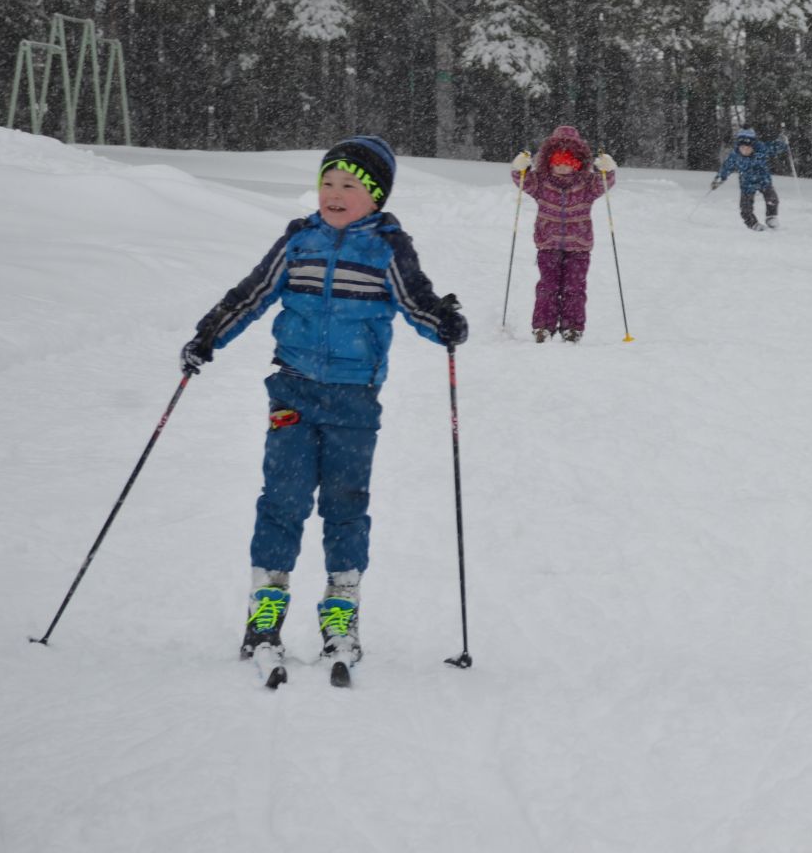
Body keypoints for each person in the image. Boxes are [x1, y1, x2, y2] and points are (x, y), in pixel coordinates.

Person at [179, 135, 468, 673]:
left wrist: (443, 322)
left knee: (345, 505)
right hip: (292, 389)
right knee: (282, 498)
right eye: (327, 183)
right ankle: (266, 608)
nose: (334, 194)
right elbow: (251, 294)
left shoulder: (388, 249)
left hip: (355, 399)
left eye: (349, 186)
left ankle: (341, 611)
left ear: (376, 196)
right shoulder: (298, 242)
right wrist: (208, 336)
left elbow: (416, 302)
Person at [510, 127, 617, 342]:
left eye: (568, 162)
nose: (562, 167)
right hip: (548, 244)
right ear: (549, 161)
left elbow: (604, 182)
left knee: (575, 289)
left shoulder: (587, 184)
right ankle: (543, 327)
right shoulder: (541, 182)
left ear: (577, 163)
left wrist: (607, 170)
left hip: (579, 247)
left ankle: (572, 328)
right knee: (547, 287)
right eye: (558, 162)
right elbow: (523, 181)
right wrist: (519, 168)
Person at [712, 127, 789, 230]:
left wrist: (782, 142)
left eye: (748, 148)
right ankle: (752, 223)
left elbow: (774, 147)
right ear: (738, 146)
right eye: (742, 148)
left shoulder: (761, 149)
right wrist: (719, 179)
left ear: (753, 146)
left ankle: (771, 217)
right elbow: (726, 168)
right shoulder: (735, 156)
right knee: (745, 208)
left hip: (763, 180)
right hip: (747, 184)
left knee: (772, 199)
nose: (745, 150)